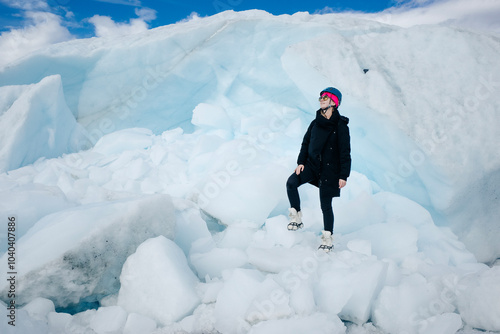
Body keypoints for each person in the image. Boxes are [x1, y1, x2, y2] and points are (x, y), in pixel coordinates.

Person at [286, 87, 351, 252]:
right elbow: (305, 143)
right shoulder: (315, 123)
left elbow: (345, 152)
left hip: (330, 172)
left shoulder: (341, 126)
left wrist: (343, 175)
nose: (321, 99)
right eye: (320, 97)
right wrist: (301, 162)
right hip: (312, 166)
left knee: (325, 205)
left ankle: (328, 238)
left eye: (325, 97)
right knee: (291, 183)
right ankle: (297, 216)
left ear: (334, 103)